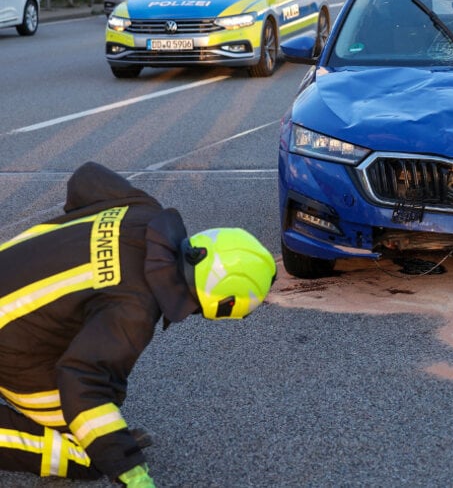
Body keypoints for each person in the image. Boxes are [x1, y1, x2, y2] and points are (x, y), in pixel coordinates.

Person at [0, 162, 275, 487]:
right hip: (10, 344)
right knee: (89, 452)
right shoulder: (135, 310)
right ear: (222, 304)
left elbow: (87, 178)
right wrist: (130, 470)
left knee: (95, 408)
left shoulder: (143, 211)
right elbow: (82, 382)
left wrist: (75, 247)